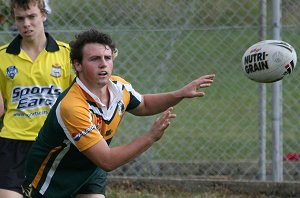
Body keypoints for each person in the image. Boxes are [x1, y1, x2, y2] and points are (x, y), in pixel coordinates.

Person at [22, 29, 215, 198]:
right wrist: (150, 137)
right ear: (78, 65)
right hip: (54, 177)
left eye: (107, 58)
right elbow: (107, 160)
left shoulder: (118, 87)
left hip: (90, 168)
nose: (103, 64)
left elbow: (145, 104)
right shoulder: (73, 106)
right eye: (94, 59)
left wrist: (179, 94)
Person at [0, 0, 75, 197]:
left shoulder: (67, 54)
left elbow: (81, 99)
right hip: (14, 142)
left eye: (32, 16)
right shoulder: (2, 57)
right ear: (14, 21)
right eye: (20, 18)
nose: (26, 23)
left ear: (43, 15)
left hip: (55, 141)